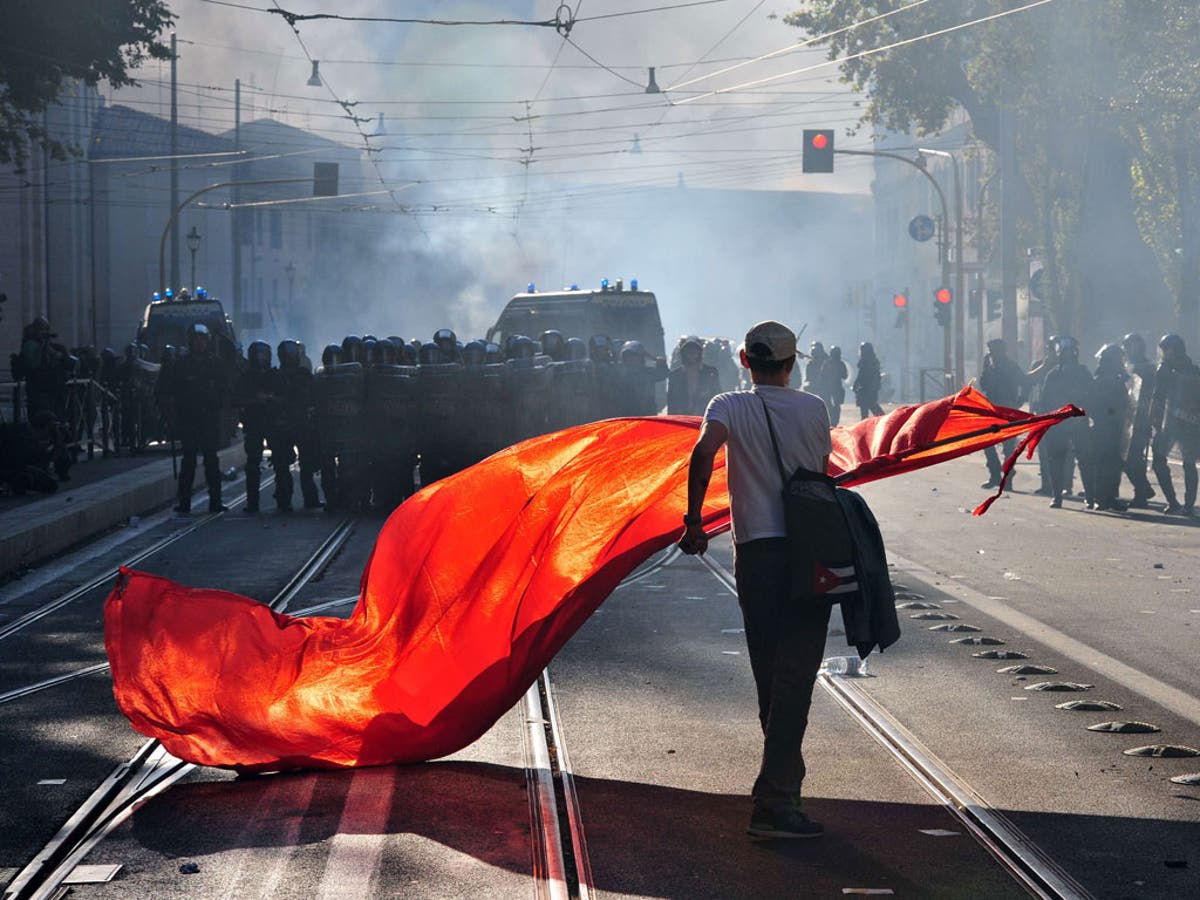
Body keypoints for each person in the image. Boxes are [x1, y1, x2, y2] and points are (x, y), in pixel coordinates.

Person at [679, 320, 832, 840]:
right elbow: (821, 469)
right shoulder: (814, 408)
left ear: (745, 360)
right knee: (797, 674)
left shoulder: (727, 405)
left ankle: (779, 789)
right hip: (811, 554)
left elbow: (704, 453)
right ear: (793, 364)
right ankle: (777, 799)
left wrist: (695, 520)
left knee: (771, 671)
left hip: (759, 554)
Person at [159, 323, 228, 514]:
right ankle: (185, 502)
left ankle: (215, 501)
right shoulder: (181, 365)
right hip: (188, 419)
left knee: (211, 462)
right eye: (196, 340)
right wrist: (172, 418)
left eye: (202, 340)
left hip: (209, 419)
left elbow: (224, 392)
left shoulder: (216, 364)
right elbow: (170, 392)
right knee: (188, 461)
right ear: (190, 342)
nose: (199, 344)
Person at [1149, 333, 1200, 516]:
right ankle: (1181, 504)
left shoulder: (1185, 372)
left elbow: (1157, 398)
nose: (1163, 354)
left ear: (1173, 350)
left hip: (1179, 424)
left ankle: (1181, 504)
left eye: (1165, 350)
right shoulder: (1189, 370)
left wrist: (1153, 420)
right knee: (1180, 463)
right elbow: (1157, 398)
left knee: (1182, 463)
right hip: (1178, 424)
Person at [1038, 336, 1092, 508]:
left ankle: (1091, 497)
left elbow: (1092, 396)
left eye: (1070, 352)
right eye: (1064, 353)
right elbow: (1045, 400)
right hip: (1058, 423)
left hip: (1078, 421)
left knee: (1084, 459)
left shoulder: (1083, 373)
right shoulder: (1053, 375)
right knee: (1056, 460)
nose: (1067, 356)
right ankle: (1057, 497)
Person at [1086, 343, 1131, 511]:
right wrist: (1114, 413)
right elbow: (1098, 405)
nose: (1122, 362)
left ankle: (1111, 497)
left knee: (1115, 462)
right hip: (1103, 427)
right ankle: (1100, 498)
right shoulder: (1101, 381)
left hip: (1116, 427)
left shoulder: (1118, 379)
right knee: (1102, 462)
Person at [977, 339, 1027, 488]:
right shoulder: (991, 367)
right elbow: (984, 385)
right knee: (988, 442)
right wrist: (986, 367)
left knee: (1008, 446)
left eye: (993, 350)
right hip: (993, 408)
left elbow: (1024, 382)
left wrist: (1020, 400)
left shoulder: (1011, 367)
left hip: (1007, 408)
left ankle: (1006, 477)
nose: (991, 353)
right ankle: (996, 475)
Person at [234, 340, 276, 514]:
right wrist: (255, 400)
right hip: (254, 424)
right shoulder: (246, 377)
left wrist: (271, 398)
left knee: (281, 462)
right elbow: (237, 399)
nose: (260, 358)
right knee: (252, 465)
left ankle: (283, 498)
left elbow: (285, 397)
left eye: (263, 354)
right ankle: (252, 502)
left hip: (273, 423)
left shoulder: (274, 376)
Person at [1120, 333, 1157, 508]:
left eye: (1131, 345)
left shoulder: (1149, 368)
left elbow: (1151, 395)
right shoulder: (1127, 366)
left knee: (1133, 458)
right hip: (1128, 418)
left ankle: (1142, 492)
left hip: (1142, 419)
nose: (1128, 350)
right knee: (1126, 457)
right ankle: (1143, 490)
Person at [667, 336, 721, 416]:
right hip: (682, 419)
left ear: (699, 352)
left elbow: (717, 397)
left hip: (706, 418)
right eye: (688, 349)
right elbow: (671, 402)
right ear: (683, 352)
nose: (691, 353)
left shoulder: (711, 373)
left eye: (694, 349)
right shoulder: (675, 375)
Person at [852, 343, 884, 419]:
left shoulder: (866, 361)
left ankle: (883, 420)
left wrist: (856, 385)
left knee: (869, 407)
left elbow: (861, 375)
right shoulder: (873, 361)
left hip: (866, 388)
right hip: (869, 388)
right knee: (871, 406)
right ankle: (882, 419)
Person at [825, 346, 848, 425]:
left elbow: (845, 376)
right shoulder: (839, 364)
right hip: (831, 387)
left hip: (833, 387)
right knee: (833, 405)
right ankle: (834, 420)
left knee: (834, 405)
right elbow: (845, 376)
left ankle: (834, 420)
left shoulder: (828, 363)